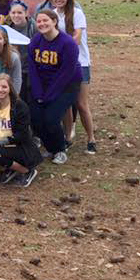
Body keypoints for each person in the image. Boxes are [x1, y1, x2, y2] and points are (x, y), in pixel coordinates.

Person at [28, 9, 82, 165]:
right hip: (43, 86)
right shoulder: (36, 41)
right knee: (37, 118)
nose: (42, 24)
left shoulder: (68, 43)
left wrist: (49, 96)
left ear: (54, 21)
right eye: (39, 21)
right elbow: (33, 70)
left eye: (46, 20)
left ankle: (60, 149)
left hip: (66, 86)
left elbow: (66, 73)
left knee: (51, 118)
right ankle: (50, 147)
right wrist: (38, 94)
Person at [51, 0, 96, 153]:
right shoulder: (53, 15)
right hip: (60, 65)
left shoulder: (77, 13)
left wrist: (61, 47)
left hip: (80, 63)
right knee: (65, 104)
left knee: (81, 103)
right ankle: (68, 136)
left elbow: (76, 38)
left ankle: (91, 138)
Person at [0, 73, 41, 187]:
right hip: (1, 145)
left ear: (10, 88)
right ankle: (10, 167)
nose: (0, 90)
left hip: (19, 146)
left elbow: (22, 135)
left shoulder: (19, 106)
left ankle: (26, 171)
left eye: (4, 87)